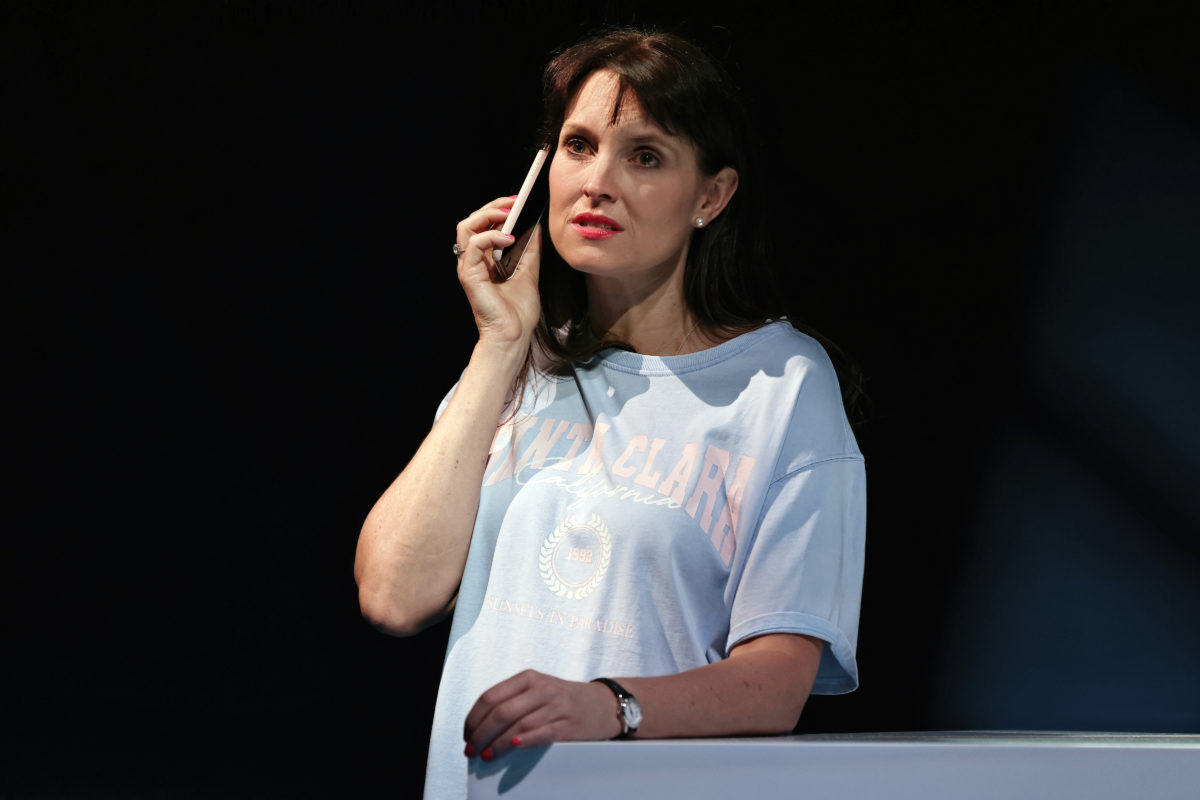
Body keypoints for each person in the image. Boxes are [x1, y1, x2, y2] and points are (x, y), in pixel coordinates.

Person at [354, 27, 866, 799]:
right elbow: (394, 594)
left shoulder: (782, 383)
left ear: (712, 196)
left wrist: (608, 705)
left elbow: (776, 684)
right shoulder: (516, 363)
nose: (597, 182)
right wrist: (499, 346)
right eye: (579, 145)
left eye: (645, 156)